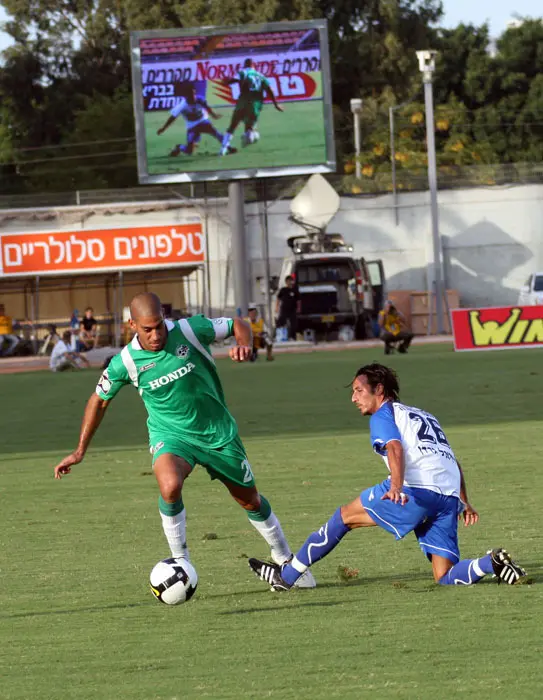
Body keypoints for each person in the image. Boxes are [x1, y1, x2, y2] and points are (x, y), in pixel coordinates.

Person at [52, 292, 314, 588]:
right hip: (171, 435)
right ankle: (181, 561)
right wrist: (79, 450)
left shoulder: (190, 329)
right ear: (132, 325)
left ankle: (285, 559)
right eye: (147, 329)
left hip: (217, 434)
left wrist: (244, 344)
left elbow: (237, 324)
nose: (155, 335)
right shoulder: (125, 362)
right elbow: (98, 401)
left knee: (249, 500)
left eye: (159, 326)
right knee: (170, 485)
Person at [249, 362, 526, 590]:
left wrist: (395, 486)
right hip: (447, 498)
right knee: (444, 576)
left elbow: (394, 447)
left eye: (358, 390)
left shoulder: (383, 414)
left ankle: (285, 578)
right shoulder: (424, 415)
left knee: (343, 517)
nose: (353, 398)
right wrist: (464, 501)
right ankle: (491, 564)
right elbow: (452, 460)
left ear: (379, 390)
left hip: (414, 491)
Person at [219, 58, 283, 156]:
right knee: (249, 130)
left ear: (245, 65)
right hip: (255, 105)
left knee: (233, 125)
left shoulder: (243, 72)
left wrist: (226, 82)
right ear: (254, 65)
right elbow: (269, 89)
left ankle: (223, 149)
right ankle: (252, 136)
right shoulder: (260, 75)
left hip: (243, 102)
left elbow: (234, 79)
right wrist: (276, 104)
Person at [157, 82, 237, 156]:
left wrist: (213, 115)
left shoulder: (200, 99)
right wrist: (163, 128)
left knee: (215, 132)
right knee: (189, 151)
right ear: (186, 96)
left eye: (194, 93)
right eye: (191, 95)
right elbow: (172, 118)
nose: (193, 96)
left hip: (203, 121)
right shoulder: (182, 105)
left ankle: (229, 148)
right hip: (192, 126)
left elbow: (207, 107)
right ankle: (179, 147)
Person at [275, 275, 301, 341]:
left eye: (291, 281)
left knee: (293, 324)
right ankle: (280, 336)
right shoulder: (283, 290)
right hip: (284, 309)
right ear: (286, 282)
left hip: (292, 309)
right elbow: (278, 298)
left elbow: (298, 300)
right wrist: (277, 307)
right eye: (288, 281)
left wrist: (298, 308)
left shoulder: (295, 290)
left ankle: (292, 337)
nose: (289, 282)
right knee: (281, 322)